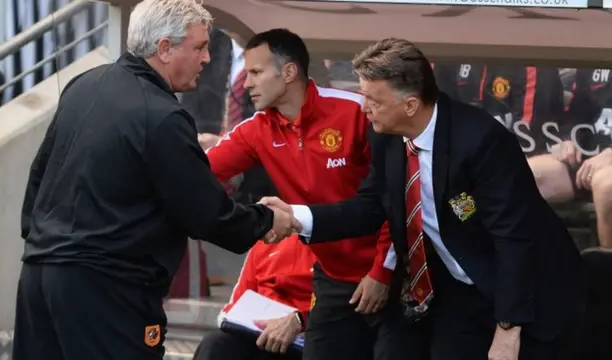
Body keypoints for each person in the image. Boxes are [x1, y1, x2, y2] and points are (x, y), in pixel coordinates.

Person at [260, 38, 585, 360]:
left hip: (531, 296)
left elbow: (513, 238)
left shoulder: (480, 141)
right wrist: (295, 218)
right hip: (463, 292)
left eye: (373, 99)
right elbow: (369, 207)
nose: (363, 107)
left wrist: (508, 328)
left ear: (410, 105)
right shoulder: (387, 137)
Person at [12, 1, 300, 359]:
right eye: (198, 47)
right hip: (106, 290)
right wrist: (267, 219)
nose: (208, 58)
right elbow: (206, 213)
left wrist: (41, 242)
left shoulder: (83, 86)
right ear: (164, 49)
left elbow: (38, 176)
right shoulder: (162, 116)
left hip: (39, 276)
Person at [200, 29, 420, 360]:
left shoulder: (355, 112)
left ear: (288, 72)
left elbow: (396, 195)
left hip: (393, 275)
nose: (246, 84)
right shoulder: (256, 130)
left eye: (256, 73)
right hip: (332, 278)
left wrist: (382, 271)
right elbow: (195, 173)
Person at [193, 233, 315, 360]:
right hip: (257, 334)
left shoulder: (330, 244)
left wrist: (300, 320)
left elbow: (335, 305)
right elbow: (234, 306)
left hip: (306, 336)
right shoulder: (265, 242)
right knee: (214, 344)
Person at [527, 68, 612, 248]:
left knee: (607, 188)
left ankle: (606, 271)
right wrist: (568, 139)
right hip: (586, 159)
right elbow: (578, 112)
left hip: (606, 168)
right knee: (521, 174)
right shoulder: (592, 62)